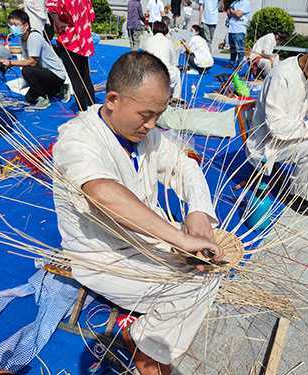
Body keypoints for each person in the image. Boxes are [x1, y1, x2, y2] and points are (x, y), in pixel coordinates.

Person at [53, 51, 223, 375]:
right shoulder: (77, 140)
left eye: (158, 115)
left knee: (208, 270)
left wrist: (198, 212)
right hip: (103, 256)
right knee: (195, 286)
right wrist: (178, 238)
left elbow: (184, 166)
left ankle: (147, 333)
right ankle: (143, 341)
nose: (152, 125)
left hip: (147, 241)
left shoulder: (146, 134)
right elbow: (102, 193)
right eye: (145, 114)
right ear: (113, 99)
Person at [246, 39, 308, 215]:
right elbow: (276, 127)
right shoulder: (282, 75)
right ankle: (299, 197)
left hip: (288, 137)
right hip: (268, 143)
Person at [0, 10, 67, 109]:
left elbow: (32, 62)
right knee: (29, 99)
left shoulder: (33, 37)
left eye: (16, 24)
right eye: (11, 24)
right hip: (45, 73)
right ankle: (58, 89)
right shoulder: (22, 38)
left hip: (56, 74)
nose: (13, 28)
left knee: (27, 71)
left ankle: (45, 98)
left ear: (26, 25)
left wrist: (11, 63)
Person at [47, 0, 96, 111]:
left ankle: (83, 111)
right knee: (85, 77)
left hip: (68, 40)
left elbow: (51, 7)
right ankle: (92, 108)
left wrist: (57, 21)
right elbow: (91, 16)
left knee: (76, 79)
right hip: (83, 40)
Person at [141, 21, 181, 99]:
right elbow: (174, 62)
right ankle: (176, 98)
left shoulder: (147, 40)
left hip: (148, 74)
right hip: (164, 74)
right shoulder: (168, 42)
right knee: (177, 72)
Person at [226, 0, 250, 69]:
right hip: (231, 29)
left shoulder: (245, 2)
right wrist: (234, 12)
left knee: (240, 49)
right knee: (232, 48)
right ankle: (231, 63)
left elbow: (238, 15)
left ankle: (239, 65)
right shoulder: (235, 2)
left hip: (239, 29)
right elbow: (228, 13)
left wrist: (232, 12)